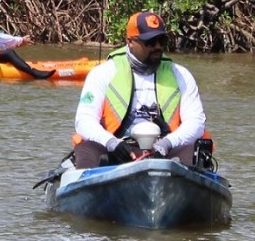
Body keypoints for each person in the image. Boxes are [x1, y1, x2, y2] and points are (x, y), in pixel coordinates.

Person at [71, 11, 208, 169]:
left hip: (165, 149)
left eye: (161, 40)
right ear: (130, 42)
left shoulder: (181, 75)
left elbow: (196, 122)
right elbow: (84, 121)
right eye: (150, 42)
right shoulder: (102, 73)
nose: (157, 47)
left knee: (192, 151)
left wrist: (167, 143)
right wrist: (111, 143)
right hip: (118, 148)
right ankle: (91, 188)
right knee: (87, 148)